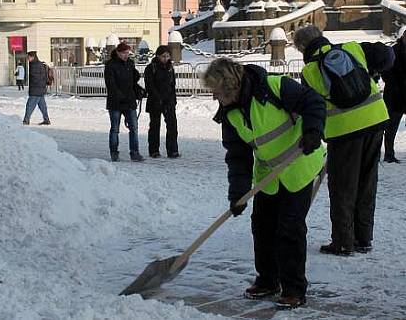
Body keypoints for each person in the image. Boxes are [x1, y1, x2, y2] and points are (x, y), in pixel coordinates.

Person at [204, 57, 326, 309]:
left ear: (231, 86)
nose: (215, 98)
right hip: (268, 174)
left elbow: (313, 102)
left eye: (217, 93)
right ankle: (268, 280)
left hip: (299, 164)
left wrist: (313, 130)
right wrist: (237, 194)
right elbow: (237, 157)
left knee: (289, 228)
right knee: (262, 227)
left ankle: (294, 288)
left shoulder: (274, 86)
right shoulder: (230, 114)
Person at [293, 25, 393, 256]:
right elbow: (388, 55)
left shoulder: (310, 72)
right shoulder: (352, 48)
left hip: (344, 132)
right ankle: (364, 239)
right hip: (375, 120)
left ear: (302, 48)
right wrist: (374, 72)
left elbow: (313, 107)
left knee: (343, 188)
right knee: (367, 182)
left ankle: (343, 242)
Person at [104, 42, 144, 162]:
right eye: (124, 53)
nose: (127, 55)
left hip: (129, 101)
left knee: (134, 128)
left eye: (128, 53)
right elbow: (110, 84)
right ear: (118, 52)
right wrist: (119, 95)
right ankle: (114, 152)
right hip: (115, 102)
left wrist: (139, 90)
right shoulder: (110, 65)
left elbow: (132, 81)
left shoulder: (130, 63)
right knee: (115, 129)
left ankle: (134, 152)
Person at [144, 45, 179, 159]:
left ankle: (173, 150)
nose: (166, 58)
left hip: (168, 101)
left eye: (168, 56)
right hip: (155, 101)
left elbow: (172, 84)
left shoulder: (170, 68)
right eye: (163, 56)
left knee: (172, 125)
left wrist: (173, 99)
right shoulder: (151, 68)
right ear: (158, 56)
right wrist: (157, 97)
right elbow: (149, 85)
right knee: (155, 125)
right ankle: (154, 150)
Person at [380, 25, 406, 163]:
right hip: (395, 95)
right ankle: (389, 154)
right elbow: (386, 71)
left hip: (400, 93)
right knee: (391, 127)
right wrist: (395, 85)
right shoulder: (394, 51)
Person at [22, 51, 50, 125]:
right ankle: (46, 120)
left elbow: (36, 77)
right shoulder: (39, 64)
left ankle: (26, 120)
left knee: (30, 105)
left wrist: (35, 85)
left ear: (32, 57)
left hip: (36, 89)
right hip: (40, 88)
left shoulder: (35, 65)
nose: (28, 58)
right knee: (42, 106)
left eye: (28, 57)